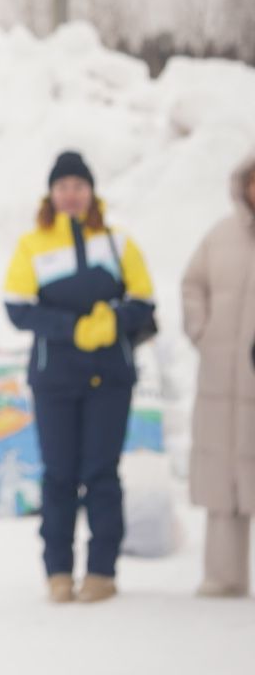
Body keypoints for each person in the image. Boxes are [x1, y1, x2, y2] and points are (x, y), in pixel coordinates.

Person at [3, 150, 156, 604]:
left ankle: (102, 572)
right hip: (55, 379)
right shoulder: (33, 245)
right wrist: (71, 328)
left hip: (110, 377)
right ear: (52, 194)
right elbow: (17, 307)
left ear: (91, 192)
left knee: (102, 473)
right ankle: (58, 571)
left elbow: (145, 301)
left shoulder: (118, 242)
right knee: (59, 475)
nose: (71, 194)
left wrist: (111, 323)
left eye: (79, 186)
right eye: (63, 186)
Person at [182, 148, 255, 598]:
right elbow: (193, 284)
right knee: (223, 477)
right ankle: (224, 576)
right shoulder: (220, 235)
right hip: (221, 382)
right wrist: (202, 331)